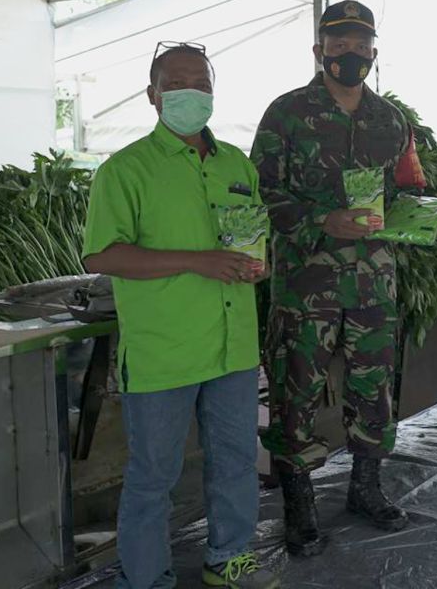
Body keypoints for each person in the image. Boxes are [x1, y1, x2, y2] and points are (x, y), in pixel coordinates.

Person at [83, 43, 279, 589]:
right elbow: (103, 255)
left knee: (237, 461)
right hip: (163, 350)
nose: (191, 93)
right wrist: (198, 262)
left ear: (213, 94)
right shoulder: (124, 170)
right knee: (153, 476)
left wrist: (254, 266)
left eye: (202, 83)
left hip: (232, 346)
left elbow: (250, 239)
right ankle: (146, 578)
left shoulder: (236, 164)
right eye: (177, 83)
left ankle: (229, 559)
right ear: (153, 95)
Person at [252, 0, 425, 556]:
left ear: (374, 51)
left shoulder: (391, 121)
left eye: (360, 43)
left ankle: (365, 489)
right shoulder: (286, 114)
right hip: (307, 285)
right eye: (339, 42)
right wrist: (320, 220)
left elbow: (404, 190)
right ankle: (299, 506)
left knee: (374, 388)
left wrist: (421, 215)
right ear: (319, 50)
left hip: (375, 282)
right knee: (296, 389)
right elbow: (260, 195)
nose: (350, 52)